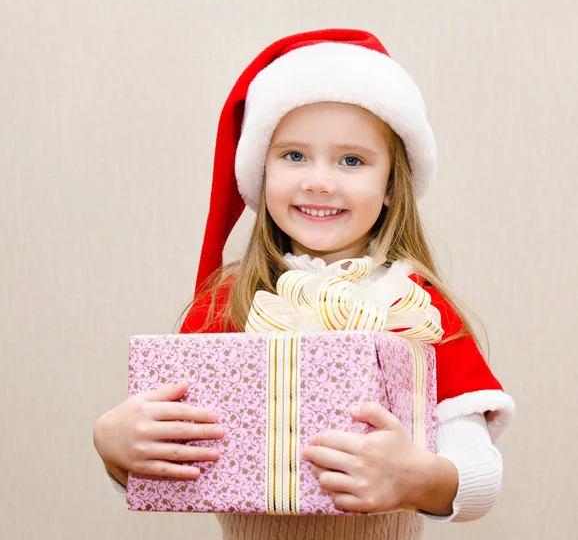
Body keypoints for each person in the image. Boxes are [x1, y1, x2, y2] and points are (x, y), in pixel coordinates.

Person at [93, 29, 515, 540]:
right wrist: (115, 448)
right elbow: (169, 453)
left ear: (390, 186)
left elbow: (481, 477)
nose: (319, 181)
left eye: (352, 160)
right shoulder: (227, 307)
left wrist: (417, 479)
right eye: (294, 156)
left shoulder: (414, 308)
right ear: (261, 171)